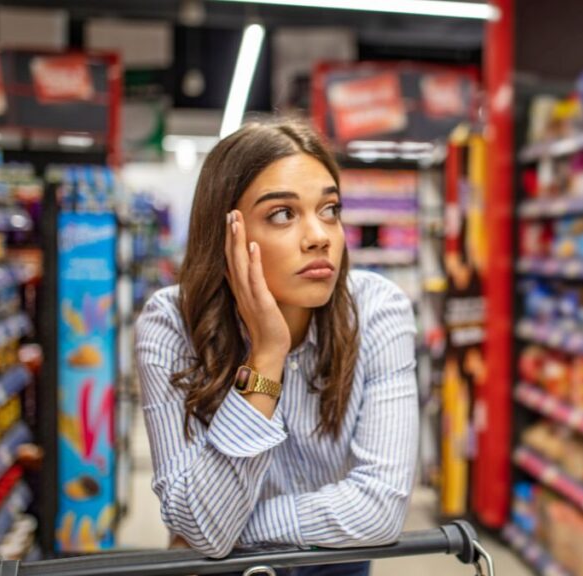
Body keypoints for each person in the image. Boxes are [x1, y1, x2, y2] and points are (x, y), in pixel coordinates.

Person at [135, 118, 418, 576]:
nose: (320, 235)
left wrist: (227, 531)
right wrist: (266, 354)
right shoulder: (171, 323)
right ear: (226, 233)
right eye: (283, 214)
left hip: (336, 560)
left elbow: (380, 510)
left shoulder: (377, 311)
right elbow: (201, 531)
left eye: (329, 209)